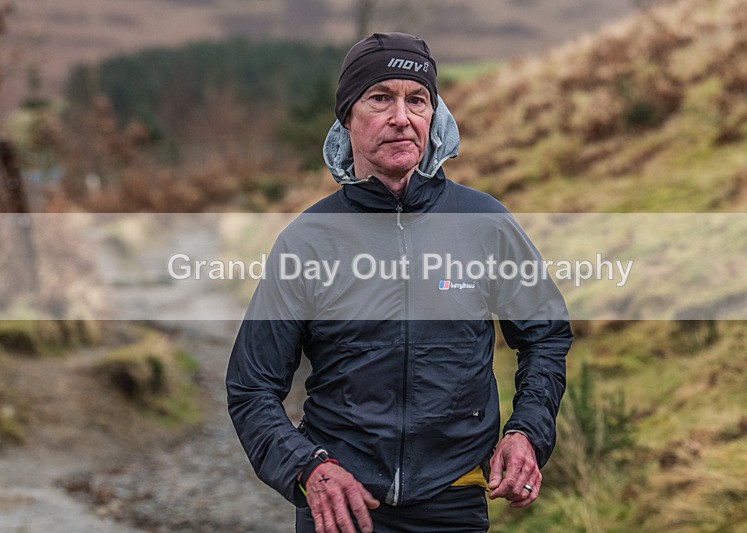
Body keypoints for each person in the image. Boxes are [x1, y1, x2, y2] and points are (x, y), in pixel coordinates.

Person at [227, 32, 572, 533]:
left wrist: (527, 433)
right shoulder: (309, 240)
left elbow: (545, 335)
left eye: (417, 100)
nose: (401, 117)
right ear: (347, 117)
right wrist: (308, 468)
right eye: (380, 98)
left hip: (453, 502)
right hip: (343, 508)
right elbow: (251, 386)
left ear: (435, 118)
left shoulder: (484, 223)